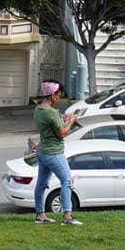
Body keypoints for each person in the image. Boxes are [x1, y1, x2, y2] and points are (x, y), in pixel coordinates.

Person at [32, 81, 81, 226]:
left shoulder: (39, 109)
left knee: (41, 184)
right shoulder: (51, 113)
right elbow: (62, 133)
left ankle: (40, 215)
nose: (59, 98)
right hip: (54, 153)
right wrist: (71, 121)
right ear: (52, 95)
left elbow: (52, 124)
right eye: (59, 95)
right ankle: (67, 216)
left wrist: (62, 120)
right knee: (66, 182)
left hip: (42, 151)